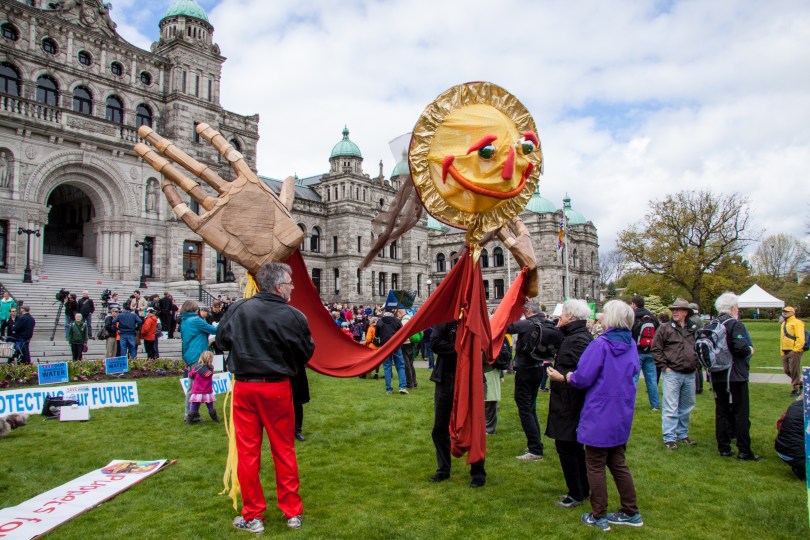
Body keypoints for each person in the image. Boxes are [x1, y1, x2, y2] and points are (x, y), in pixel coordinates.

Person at [216, 262, 314, 532]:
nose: (293, 288)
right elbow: (306, 352)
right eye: (290, 284)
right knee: (283, 449)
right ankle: (292, 512)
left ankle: (253, 515)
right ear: (279, 287)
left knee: (248, 452)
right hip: (276, 387)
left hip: (245, 386)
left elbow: (221, 341)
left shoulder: (238, 309)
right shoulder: (293, 316)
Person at [547, 300, 643, 531]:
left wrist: (565, 377)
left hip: (600, 410)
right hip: (621, 409)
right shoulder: (630, 343)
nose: (600, 317)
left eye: (604, 314)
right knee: (618, 462)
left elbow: (583, 377)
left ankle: (598, 515)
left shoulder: (601, 344)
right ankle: (631, 511)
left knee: (595, 464)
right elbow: (633, 371)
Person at [546, 299, 594, 508]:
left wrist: (562, 377)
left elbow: (585, 371)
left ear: (571, 316)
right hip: (567, 398)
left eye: (563, 313)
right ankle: (581, 489)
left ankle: (576, 492)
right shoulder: (575, 336)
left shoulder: (578, 339)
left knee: (567, 446)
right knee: (571, 446)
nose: (560, 316)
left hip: (570, 400)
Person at [429, 320, 486, 487]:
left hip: (471, 380)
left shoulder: (475, 319)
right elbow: (435, 343)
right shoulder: (445, 319)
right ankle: (443, 470)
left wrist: (466, 350)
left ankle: (478, 473)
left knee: (474, 426)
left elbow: (483, 343)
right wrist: (461, 348)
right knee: (440, 427)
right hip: (446, 378)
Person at [507, 299, 563, 461]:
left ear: (528, 311)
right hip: (539, 367)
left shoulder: (527, 324)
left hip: (525, 369)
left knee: (525, 409)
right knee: (531, 408)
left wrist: (509, 311)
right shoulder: (547, 322)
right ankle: (535, 442)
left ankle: (535, 449)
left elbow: (505, 327)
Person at [710, 292, 759, 461]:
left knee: (721, 411)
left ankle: (723, 447)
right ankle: (744, 449)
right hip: (735, 374)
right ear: (732, 308)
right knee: (740, 412)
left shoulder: (712, 324)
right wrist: (750, 350)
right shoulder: (734, 325)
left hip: (717, 373)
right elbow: (741, 348)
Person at [651, 298, 699, 450]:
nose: (675, 312)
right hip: (672, 373)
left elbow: (699, 347)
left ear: (686, 312)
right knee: (671, 407)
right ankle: (669, 438)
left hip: (689, 373)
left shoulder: (693, 328)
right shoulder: (665, 328)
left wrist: (696, 364)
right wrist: (665, 367)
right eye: (673, 310)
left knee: (686, 407)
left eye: (678, 310)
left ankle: (682, 435)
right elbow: (656, 349)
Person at [180, 300, 218, 422]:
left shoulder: (185, 321)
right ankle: (189, 415)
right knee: (194, 387)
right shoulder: (196, 320)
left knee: (192, 387)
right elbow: (214, 330)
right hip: (197, 355)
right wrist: (221, 324)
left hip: (189, 354)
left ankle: (193, 414)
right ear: (195, 309)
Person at [631, 295, 660, 410]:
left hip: (637, 351)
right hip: (650, 351)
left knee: (634, 380)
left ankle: (630, 404)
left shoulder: (633, 317)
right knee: (652, 380)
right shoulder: (652, 317)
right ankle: (655, 405)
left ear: (634, 305)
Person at [376, 310, 408, 395]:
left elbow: (377, 336)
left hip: (385, 346)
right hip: (396, 345)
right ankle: (402, 387)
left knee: (387, 367)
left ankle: (388, 389)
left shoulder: (380, 321)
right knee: (400, 366)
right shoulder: (397, 321)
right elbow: (402, 333)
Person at [775, 399, 805, 480]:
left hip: (781, 449)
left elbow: (779, 424)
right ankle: (802, 469)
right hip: (794, 454)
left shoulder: (796, 404)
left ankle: (800, 468)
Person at [186, 351, 220, 424]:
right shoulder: (211, 368)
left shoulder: (196, 368)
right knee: (210, 407)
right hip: (207, 392)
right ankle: (215, 419)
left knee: (193, 406)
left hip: (197, 391)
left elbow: (190, 375)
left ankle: (188, 420)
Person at [780, 306, 806, 397]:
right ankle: (800, 382)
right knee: (787, 370)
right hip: (785, 350)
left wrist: (795, 350)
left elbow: (800, 338)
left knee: (794, 370)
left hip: (794, 350)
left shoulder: (797, 323)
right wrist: (782, 350)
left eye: (787, 311)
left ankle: (796, 388)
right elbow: (782, 338)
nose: (785, 313)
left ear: (792, 313)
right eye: (784, 311)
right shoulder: (783, 324)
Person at [398, 308, 418, 389]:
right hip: (411, 343)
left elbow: (402, 334)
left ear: (399, 312)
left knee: (407, 365)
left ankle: (410, 384)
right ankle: (414, 382)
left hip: (405, 343)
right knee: (410, 364)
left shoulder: (404, 321)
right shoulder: (409, 317)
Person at [688, 303, 705, 394]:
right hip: (699, 343)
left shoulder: (692, 320)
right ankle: (699, 387)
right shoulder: (698, 319)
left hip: (694, 344)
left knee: (696, 367)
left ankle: (697, 387)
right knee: (698, 367)